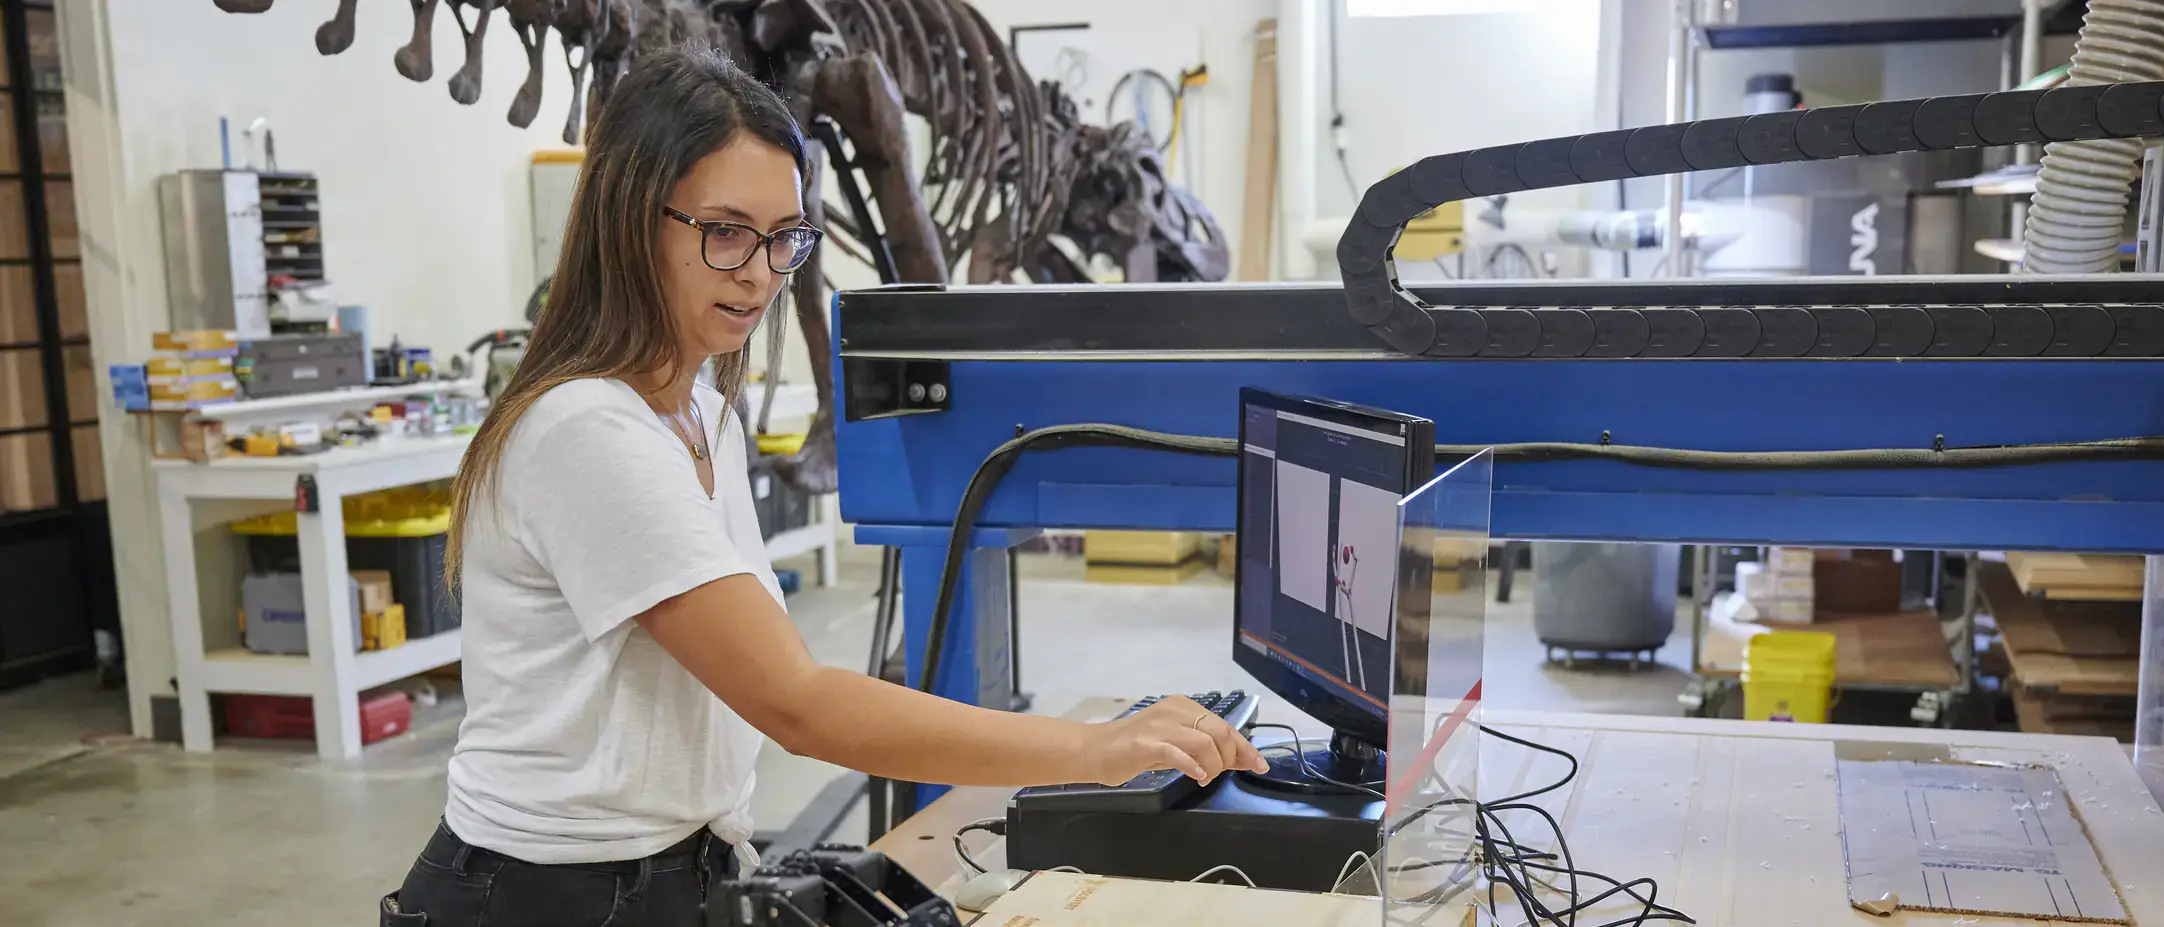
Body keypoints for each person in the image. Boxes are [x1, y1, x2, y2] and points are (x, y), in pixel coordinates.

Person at [380, 46, 1268, 927]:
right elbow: (795, 700)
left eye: (785, 238)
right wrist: (1091, 749)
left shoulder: (700, 412)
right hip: (548, 894)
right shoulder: (586, 431)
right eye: (724, 231)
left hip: (673, 868)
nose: (762, 272)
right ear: (628, 218)